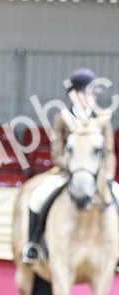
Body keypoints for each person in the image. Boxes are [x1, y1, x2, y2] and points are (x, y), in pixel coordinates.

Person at [23, 67, 118, 262]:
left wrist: (107, 175)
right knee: (38, 197)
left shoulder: (102, 119)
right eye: (86, 93)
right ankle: (32, 244)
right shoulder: (62, 118)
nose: (91, 98)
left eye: (93, 93)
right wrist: (77, 168)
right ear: (74, 94)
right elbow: (57, 153)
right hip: (68, 173)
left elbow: (109, 152)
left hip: (98, 176)